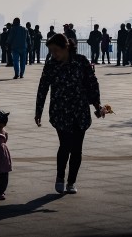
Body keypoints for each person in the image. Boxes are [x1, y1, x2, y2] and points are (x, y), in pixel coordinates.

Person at [35, 33, 106, 194]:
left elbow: (92, 84)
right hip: (60, 112)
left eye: (56, 50)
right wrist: (38, 110)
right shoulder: (51, 65)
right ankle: (60, 177)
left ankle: (71, 182)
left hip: (80, 111)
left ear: (66, 47)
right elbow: (43, 87)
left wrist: (97, 105)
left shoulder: (81, 62)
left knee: (77, 149)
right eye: (51, 51)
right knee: (65, 145)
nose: (54, 54)